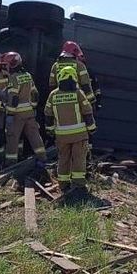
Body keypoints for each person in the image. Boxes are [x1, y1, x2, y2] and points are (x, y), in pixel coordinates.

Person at [44, 65, 96, 199]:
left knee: (63, 159)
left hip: (61, 136)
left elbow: (48, 115)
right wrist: (92, 128)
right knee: (79, 159)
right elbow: (87, 112)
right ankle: (78, 184)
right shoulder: (78, 93)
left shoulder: (53, 95)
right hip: (79, 135)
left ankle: (63, 184)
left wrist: (50, 131)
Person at [2, 51, 48, 165]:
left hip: (17, 114)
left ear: (12, 64)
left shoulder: (13, 78)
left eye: (6, 65)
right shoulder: (28, 76)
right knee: (35, 136)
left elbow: (13, 98)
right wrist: (33, 107)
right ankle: (42, 158)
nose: (5, 67)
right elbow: (35, 94)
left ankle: (10, 163)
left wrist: (10, 114)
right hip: (30, 114)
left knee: (12, 138)